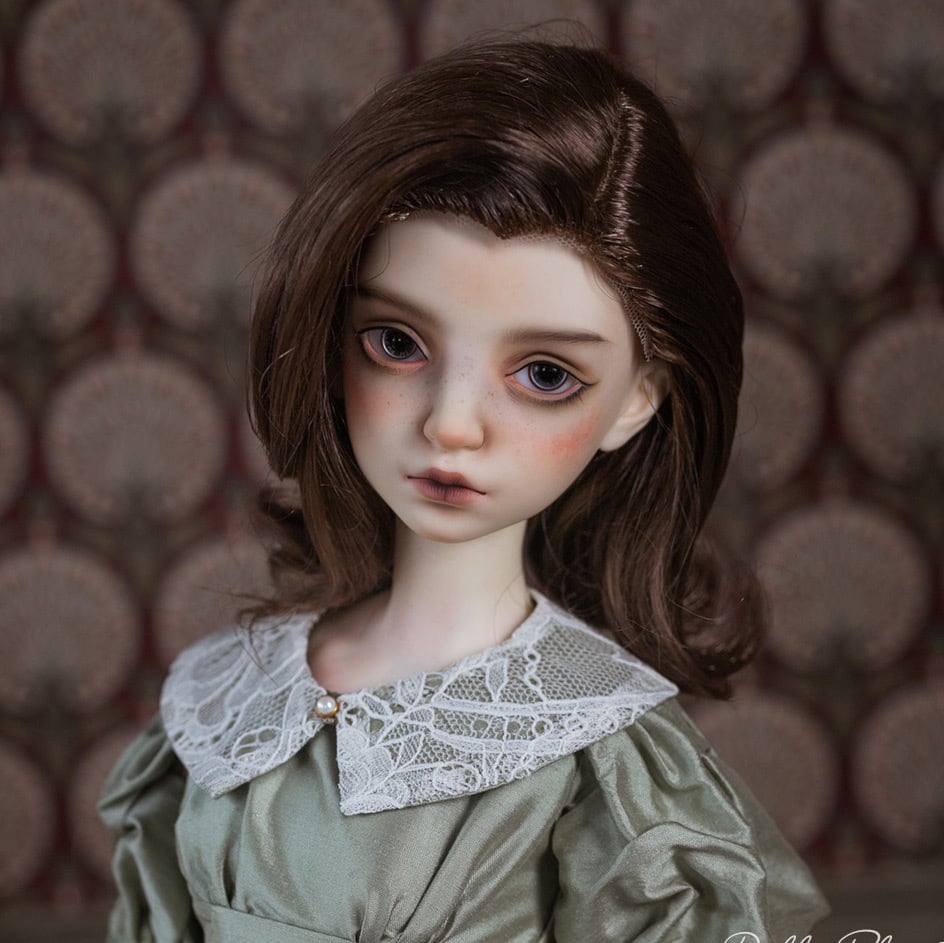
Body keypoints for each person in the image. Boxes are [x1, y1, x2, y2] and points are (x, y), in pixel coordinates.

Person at [99, 39, 829, 941]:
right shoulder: (223, 702)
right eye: (397, 343)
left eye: (546, 374)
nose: (451, 424)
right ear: (330, 336)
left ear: (636, 400)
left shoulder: (601, 754)